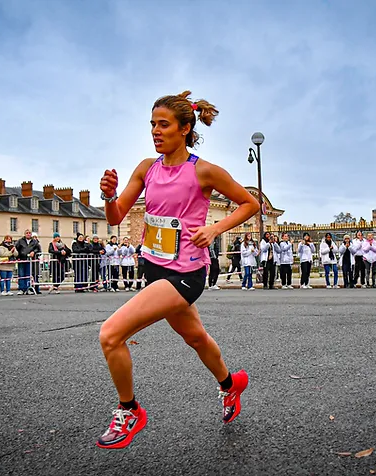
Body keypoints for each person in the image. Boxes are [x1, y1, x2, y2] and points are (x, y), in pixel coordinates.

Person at [96, 90, 259, 449]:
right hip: (154, 267)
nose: (155, 131)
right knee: (196, 337)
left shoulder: (203, 171)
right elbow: (116, 217)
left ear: (185, 128)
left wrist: (216, 229)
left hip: (186, 274)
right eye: (152, 124)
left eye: (163, 124)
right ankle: (231, 385)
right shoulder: (146, 168)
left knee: (110, 335)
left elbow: (251, 203)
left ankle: (129, 411)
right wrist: (108, 195)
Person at [15, 230, 41, 295]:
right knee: (21, 275)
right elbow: (16, 249)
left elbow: (38, 249)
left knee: (28, 275)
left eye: (29, 233)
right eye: (27, 233)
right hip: (22, 259)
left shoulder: (34, 242)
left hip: (30, 260)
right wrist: (17, 257)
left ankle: (28, 288)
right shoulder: (20, 241)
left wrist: (34, 252)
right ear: (24, 234)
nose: (28, 234)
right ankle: (21, 289)